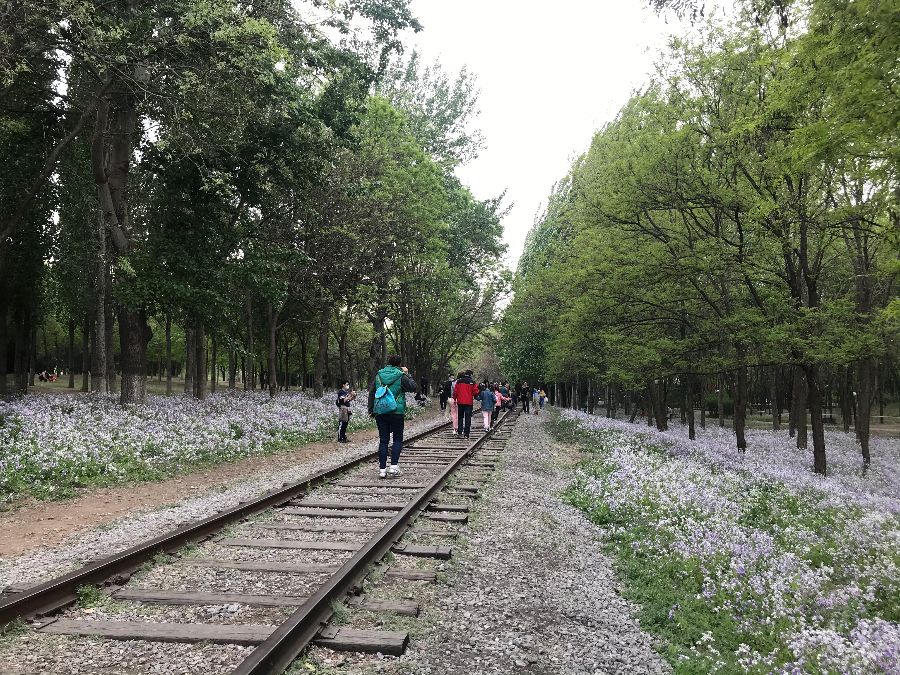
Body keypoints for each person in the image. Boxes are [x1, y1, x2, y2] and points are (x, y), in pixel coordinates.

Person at [368, 355, 417, 478]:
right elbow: (413, 387)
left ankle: (382, 470)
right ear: (399, 364)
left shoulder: (379, 375)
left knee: (383, 440)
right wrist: (407, 374)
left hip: (380, 411)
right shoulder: (401, 375)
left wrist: (371, 410)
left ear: (388, 362)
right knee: (397, 439)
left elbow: (372, 392)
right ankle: (394, 467)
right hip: (396, 412)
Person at [453, 370, 478, 438]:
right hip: (469, 402)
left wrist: (454, 399)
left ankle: (460, 432)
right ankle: (466, 434)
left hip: (460, 402)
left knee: (460, 417)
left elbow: (455, 391)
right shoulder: (472, 382)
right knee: (468, 418)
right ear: (470, 375)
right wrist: (472, 395)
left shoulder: (459, 381)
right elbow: (475, 391)